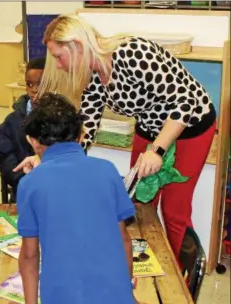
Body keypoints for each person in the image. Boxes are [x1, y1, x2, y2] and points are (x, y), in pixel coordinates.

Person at [15, 13, 216, 261]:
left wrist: (157, 151)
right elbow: (85, 127)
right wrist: (48, 159)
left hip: (189, 125)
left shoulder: (132, 52)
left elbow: (185, 101)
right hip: (151, 125)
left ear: (77, 45)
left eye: (58, 56)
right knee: (138, 203)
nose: (57, 64)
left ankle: (182, 279)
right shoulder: (92, 74)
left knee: (174, 211)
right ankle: (149, 267)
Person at [0, 92, 159, 304]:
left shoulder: (30, 184)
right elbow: (124, 241)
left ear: (32, 141)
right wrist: (129, 298)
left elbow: (30, 255)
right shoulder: (107, 171)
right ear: (81, 136)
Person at [0, 57, 45, 201]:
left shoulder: (61, 118)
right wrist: (25, 179)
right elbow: (5, 159)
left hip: (55, 191)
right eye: (29, 84)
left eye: (41, 84)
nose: (34, 90)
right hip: (23, 191)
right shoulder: (12, 121)